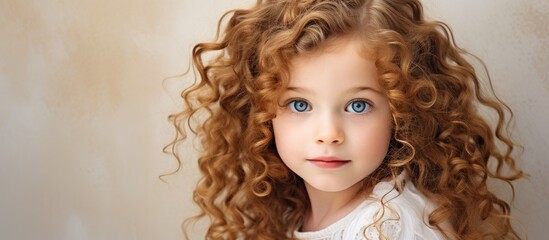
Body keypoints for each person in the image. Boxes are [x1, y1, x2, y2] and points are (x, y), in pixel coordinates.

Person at [167, 0, 525, 239]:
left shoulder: (392, 227)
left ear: (402, 111)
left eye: (357, 106)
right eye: (299, 105)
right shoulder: (296, 211)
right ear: (261, 112)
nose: (328, 134)